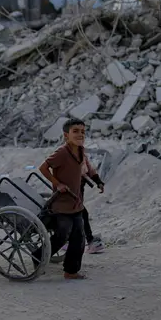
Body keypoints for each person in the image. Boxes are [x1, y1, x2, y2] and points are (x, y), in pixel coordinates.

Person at [34, 118, 100, 280]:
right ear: (66, 135)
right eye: (75, 131)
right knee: (62, 235)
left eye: (83, 132)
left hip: (76, 202)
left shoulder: (81, 151)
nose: (80, 134)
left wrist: (98, 181)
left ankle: (71, 271)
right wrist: (58, 184)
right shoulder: (62, 152)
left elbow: (88, 167)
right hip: (62, 204)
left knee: (79, 238)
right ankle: (38, 256)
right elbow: (43, 167)